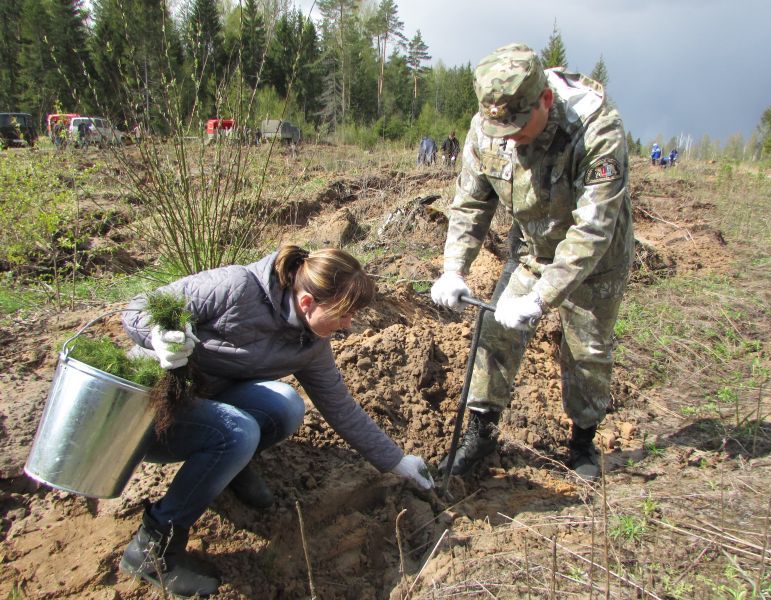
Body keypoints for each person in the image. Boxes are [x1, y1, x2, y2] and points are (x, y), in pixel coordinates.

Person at [119, 245, 434, 597]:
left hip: (206, 407)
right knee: (238, 431)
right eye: (344, 315)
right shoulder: (236, 288)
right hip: (150, 412)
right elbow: (137, 309)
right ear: (306, 303)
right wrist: (160, 338)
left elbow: (341, 407)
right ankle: (153, 547)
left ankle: (229, 465)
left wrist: (396, 461)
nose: (348, 325)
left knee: (286, 406)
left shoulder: (311, 344)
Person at [430, 43, 633, 483]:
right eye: (499, 127)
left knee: (586, 351)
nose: (509, 138)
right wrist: (453, 267)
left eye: (518, 127)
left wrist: (541, 298)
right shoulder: (487, 130)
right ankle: (481, 434)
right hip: (533, 249)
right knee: (495, 334)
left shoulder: (596, 128)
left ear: (545, 100)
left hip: (594, 260)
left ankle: (582, 442)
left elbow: (592, 230)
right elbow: (470, 204)